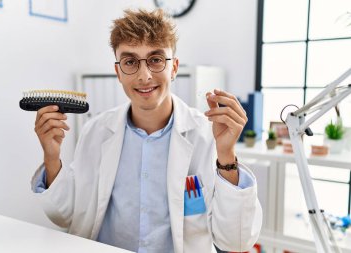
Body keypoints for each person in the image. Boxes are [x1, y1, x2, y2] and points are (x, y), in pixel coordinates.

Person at [31, 8, 262, 253]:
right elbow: (64, 216)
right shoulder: (96, 131)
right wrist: (52, 157)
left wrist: (226, 154)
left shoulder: (207, 136)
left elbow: (236, 240)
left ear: (173, 68)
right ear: (118, 71)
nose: (144, 75)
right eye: (130, 62)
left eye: (155, 59)